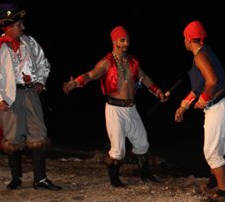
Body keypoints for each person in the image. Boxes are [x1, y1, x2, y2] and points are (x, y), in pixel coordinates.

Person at [0, 3, 61, 190]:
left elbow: (44, 64)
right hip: (10, 97)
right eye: (19, 24)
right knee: (13, 138)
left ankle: (40, 179)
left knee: (39, 135)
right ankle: (16, 178)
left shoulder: (30, 42)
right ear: (9, 26)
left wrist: (40, 82)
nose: (23, 27)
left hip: (31, 94)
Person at [62, 26, 168, 187]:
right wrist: (76, 82)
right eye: (122, 40)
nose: (126, 43)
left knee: (142, 143)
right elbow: (91, 74)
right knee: (118, 148)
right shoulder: (107, 62)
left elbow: (144, 77)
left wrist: (158, 91)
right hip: (114, 110)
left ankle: (146, 174)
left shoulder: (132, 62)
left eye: (128, 40)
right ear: (114, 41)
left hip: (131, 108)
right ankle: (114, 179)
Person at [174, 20, 225, 202]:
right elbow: (198, 87)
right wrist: (184, 105)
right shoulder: (206, 52)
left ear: (188, 39)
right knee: (217, 148)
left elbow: (211, 81)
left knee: (211, 151)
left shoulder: (200, 56)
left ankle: (224, 192)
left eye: (184, 38)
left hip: (218, 105)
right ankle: (213, 184)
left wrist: (203, 99)